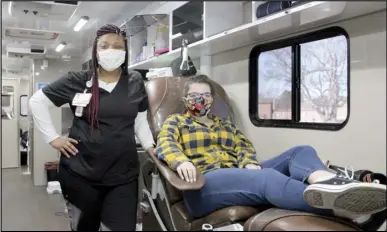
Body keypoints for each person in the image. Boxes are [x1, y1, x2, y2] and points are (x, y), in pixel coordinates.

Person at [155, 74, 386, 227]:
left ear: (212, 99)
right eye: (195, 96)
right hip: (203, 184)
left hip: (238, 175)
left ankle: (328, 182)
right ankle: (342, 210)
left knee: (299, 151)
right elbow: (165, 143)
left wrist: (247, 163)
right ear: (186, 99)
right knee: (266, 178)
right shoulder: (176, 121)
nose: (201, 100)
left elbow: (244, 146)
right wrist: (180, 161)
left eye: (205, 96)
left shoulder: (224, 124)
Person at [29, 24, 155, 231]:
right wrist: (52, 138)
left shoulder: (135, 81)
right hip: (81, 174)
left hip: (122, 176)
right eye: (104, 46)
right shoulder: (77, 80)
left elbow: (140, 121)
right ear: (96, 51)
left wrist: (150, 146)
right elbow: (37, 102)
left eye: (117, 46)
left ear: (125, 52)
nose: (110, 51)